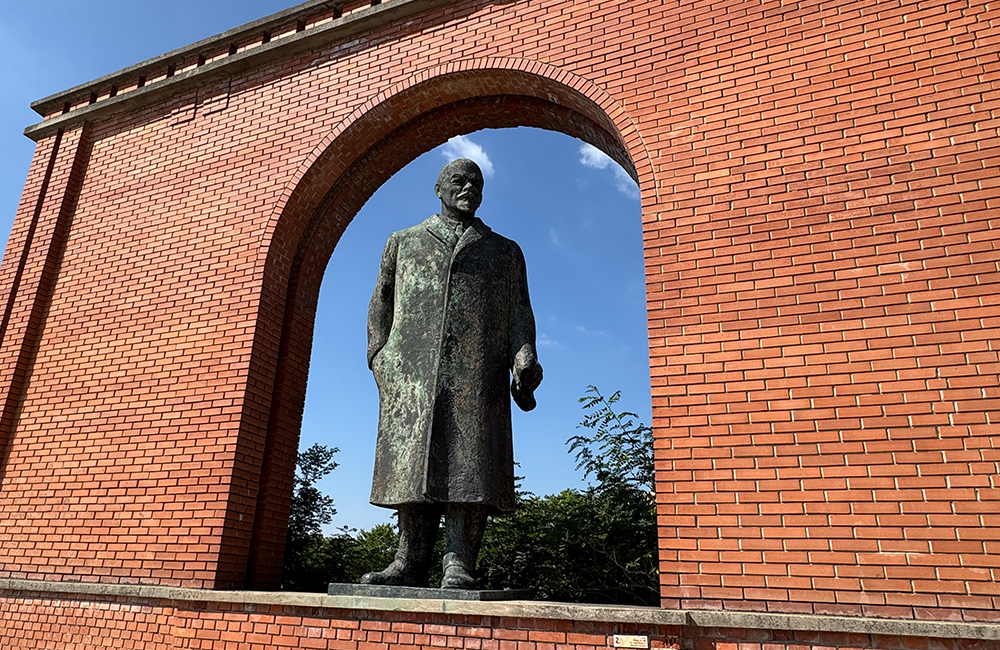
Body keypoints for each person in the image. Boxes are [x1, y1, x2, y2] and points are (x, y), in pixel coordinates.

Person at [362, 158, 543, 589]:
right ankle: (408, 561)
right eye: (458, 181)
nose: (468, 188)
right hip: (411, 373)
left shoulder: (504, 251)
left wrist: (524, 356)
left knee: (470, 464)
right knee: (412, 464)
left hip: (476, 373)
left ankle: (458, 564)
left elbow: (520, 311)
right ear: (439, 189)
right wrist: (379, 356)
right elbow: (380, 304)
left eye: (476, 183)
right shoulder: (403, 242)